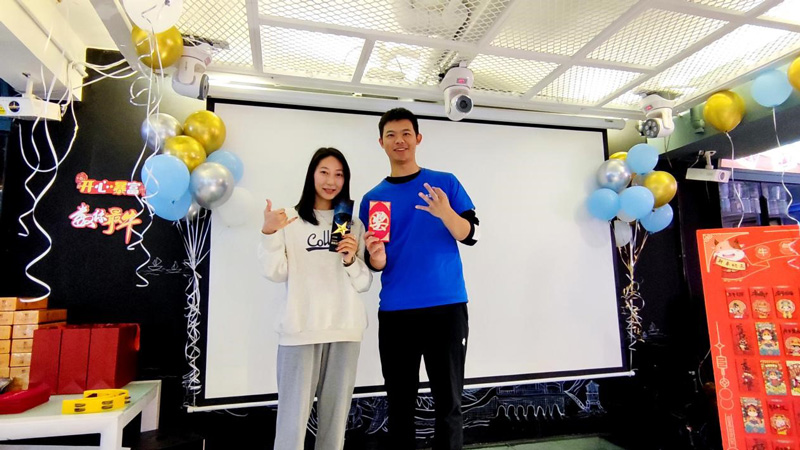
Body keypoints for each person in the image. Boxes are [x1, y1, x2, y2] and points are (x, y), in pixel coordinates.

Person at [358, 108, 479, 450]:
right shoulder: (373, 199)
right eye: (391, 135)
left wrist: (445, 212)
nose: (399, 140)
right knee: (400, 407)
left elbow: (471, 234)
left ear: (418, 138)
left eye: (406, 133)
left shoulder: (445, 183)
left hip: (447, 308)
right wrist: (376, 256)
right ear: (381, 142)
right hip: (397, 313)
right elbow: (376, 261)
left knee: (449, 405)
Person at [259, 147, 372, 450]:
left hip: (344, 331)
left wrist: (350, 259)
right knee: (291, 424)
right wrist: (269, 233)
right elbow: (274, 272)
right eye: (324, 172)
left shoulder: (353, 224)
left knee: (335, 424)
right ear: (312, 174)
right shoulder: (289, 220)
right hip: (300, 330)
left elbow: (364, 283)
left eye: (339, 174)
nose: (331, 181)